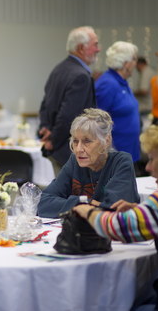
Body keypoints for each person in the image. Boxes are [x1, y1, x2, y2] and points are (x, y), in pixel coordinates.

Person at [74, 116, 158, 310]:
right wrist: (141, 211)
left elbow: (121, 228)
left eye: (153, 159)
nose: (147, 167)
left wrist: (87, 211)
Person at [37, 108, 139, 218]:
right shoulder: (75, 161)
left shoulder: (121, 162)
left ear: (106, 141)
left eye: (87, 141)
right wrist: (86, 203)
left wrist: (70, 204)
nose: (79, 149)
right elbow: (42, 202)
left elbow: (114, 211)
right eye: (76, 141)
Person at [39, 26, 99, 177]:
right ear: (81, 48)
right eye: (95, 45)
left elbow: (45, 105)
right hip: (69, 152)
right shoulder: (80, 75)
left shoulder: (58, 69)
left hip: (59, 150)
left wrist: (45, 129)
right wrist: (53, 139)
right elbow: (69, 117)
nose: (98, 49)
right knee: (73, 198)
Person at [95, 41, 141, 163]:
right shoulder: (108, 84)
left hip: (127, 153)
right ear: (126, 63)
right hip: (115, 158)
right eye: (134, 59)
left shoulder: (122, 82)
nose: (136, 64)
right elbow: (96, 121)